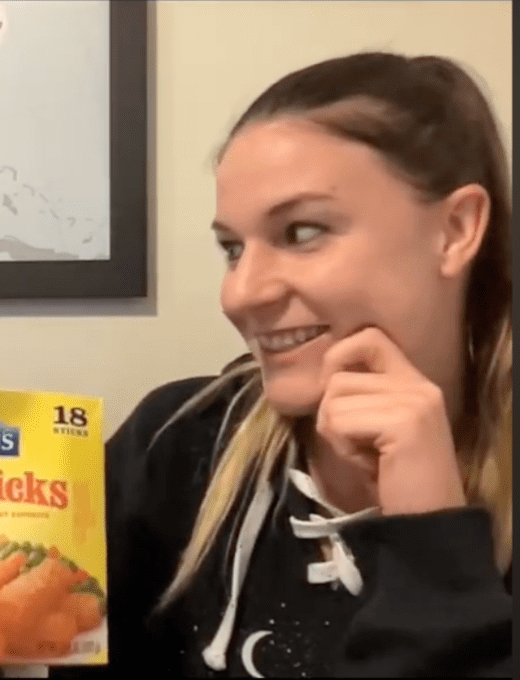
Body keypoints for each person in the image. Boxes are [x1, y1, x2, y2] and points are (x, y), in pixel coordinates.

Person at [57, 52, 512, 678]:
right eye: (232, 248)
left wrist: (432, 543)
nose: (241, 294)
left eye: (301, 232)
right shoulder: (176, 445)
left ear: (455, 230)